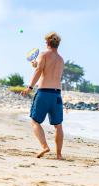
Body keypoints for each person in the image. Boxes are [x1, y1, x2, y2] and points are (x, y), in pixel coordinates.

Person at [21, 32, 64, 160]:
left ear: (47, 43)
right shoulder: (61, 60)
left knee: (35, 121)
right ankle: (59, 155)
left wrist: (29, 87)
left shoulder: (44, 54)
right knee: (58, 126)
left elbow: (39, 70)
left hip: (44, 92)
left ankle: (45, 146)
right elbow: (49, 71)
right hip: (56, 94)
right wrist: (37, 65)